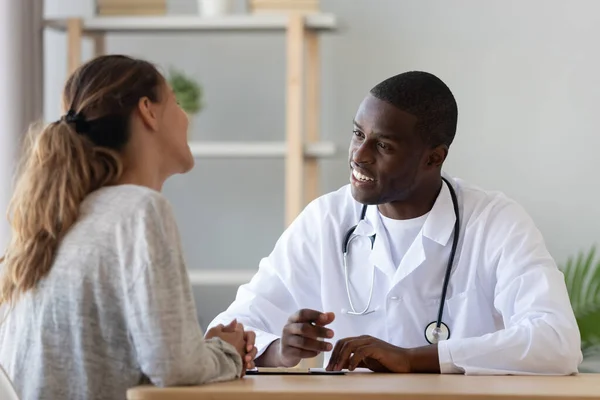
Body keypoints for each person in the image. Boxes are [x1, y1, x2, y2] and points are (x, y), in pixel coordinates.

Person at [209, 71, 582, 375]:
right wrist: (280, 350)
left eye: (383, 146)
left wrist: (413, 358)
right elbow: (226, 331)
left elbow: (557, 342)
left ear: (433, 158)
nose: (359, 155)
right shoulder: (325, 219)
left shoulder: (495, 223)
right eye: (358, 134)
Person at [0, 55, 257, 400]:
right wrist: (227, 352)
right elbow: (175, 368)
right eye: (176, 104)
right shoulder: (139, 210)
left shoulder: (57, 219)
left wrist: (207, 348)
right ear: (148, 111)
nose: (185, 119)